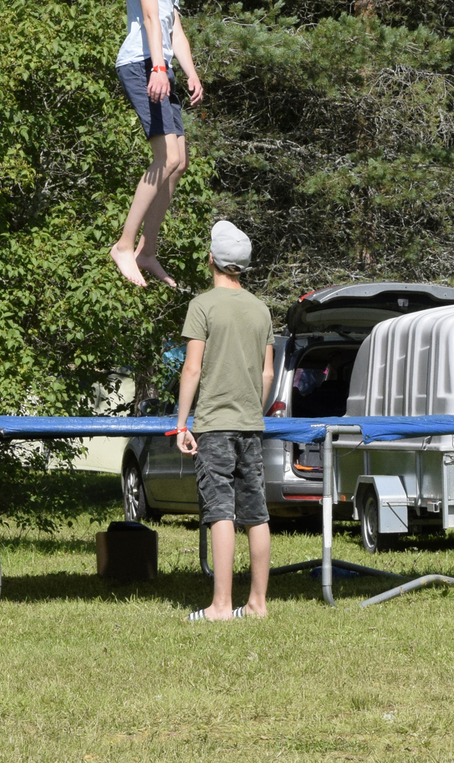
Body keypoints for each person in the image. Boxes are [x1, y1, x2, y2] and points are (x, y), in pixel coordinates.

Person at [174, 220, 275, 620]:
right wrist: (254, 411)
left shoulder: (202, 306)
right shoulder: (261, 309)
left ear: (210, 259)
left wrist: (182, 424)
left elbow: (192, 369)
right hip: (251, 424)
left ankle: (220, 606)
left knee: (220, 511)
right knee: (256, 514)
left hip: (214, 424)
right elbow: (267, 373)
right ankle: (257, 604)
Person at [110, 0, 205, 287]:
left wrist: (191, 73)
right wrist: (159, 69)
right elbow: (150, 17)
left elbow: (174, 29)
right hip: (141, 63)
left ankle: (147, 251)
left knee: (179, 162)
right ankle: (124, 245)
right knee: (166, 157)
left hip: (160, 64)